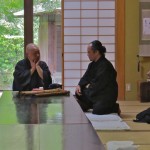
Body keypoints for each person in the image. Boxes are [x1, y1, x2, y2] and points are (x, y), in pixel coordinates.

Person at [75, 40, 120, 115]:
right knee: (78, 92)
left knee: (98, 110)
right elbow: (85, 77)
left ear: (96, 52)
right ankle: (89, 104)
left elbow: (98, 85)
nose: (87, 54)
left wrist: (87, 92)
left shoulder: (105, 65)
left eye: (89, 52)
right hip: (95, 93)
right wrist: (79, 85)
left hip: (106, 94)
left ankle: (114, 107)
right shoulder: (92, 65)